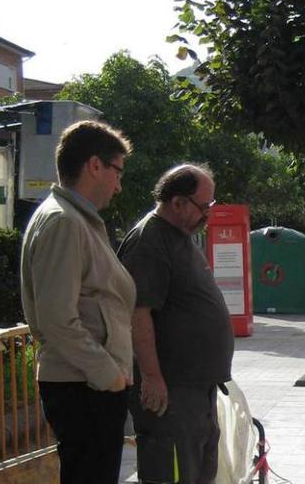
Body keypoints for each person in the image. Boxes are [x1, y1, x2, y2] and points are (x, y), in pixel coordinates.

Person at [20, 120, 135, 484]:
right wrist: (109, 375)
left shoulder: (74, 219)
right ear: (95, 165)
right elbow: (56, 319)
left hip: (88, 384)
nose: (119, 185)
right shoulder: (64, 222)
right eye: (117, 171)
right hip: (84, 386)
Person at [117, 164, 234, 484]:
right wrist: (152, 377)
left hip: (195, 392)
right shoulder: (150, 240)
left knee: (198, 472)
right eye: (204, 206)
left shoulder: (179, 236)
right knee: (173, 474)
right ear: (178, 202)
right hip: (170, 394)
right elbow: (137, 313)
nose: (208, 215)